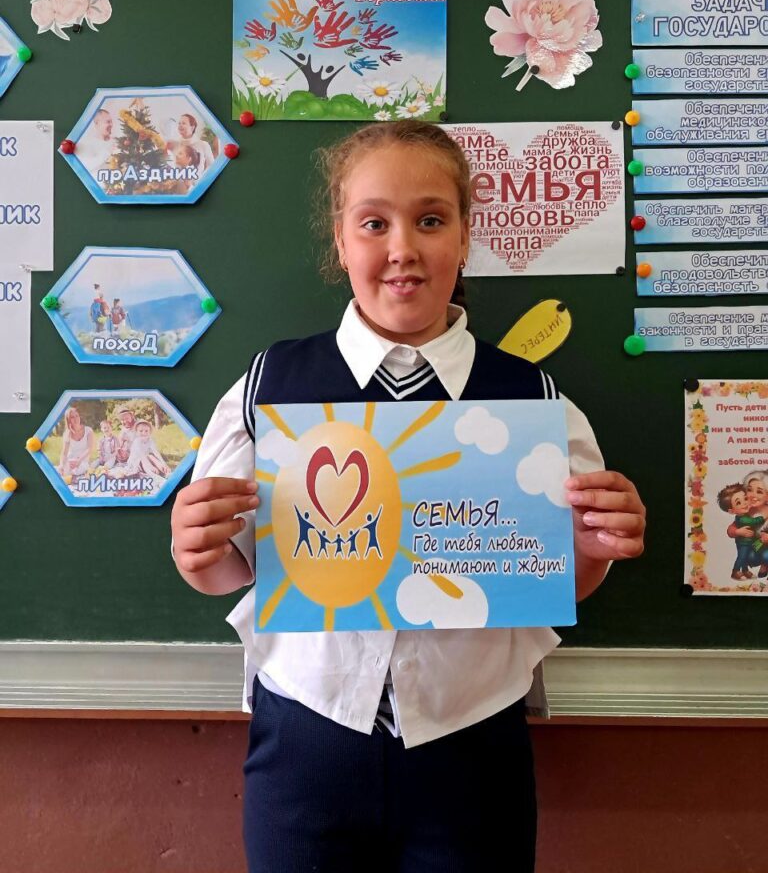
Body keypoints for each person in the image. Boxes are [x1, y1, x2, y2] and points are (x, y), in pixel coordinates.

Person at [170, 120, 646, 872]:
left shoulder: (532, 402)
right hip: (307, 740)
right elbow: (231, 569)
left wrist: (593, 548)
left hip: (471, 747)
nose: (402, 249)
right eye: (373, 224)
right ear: (340, 241)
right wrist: (197, 553)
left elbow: (561, 580)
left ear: (465, 236)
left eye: (430, 220)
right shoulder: (270, 386)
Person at [718, 482, 762, 579]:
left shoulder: (748, 514)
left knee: (745, 556)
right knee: (742, 556)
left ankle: (745, 570)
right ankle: (735, 571)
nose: (745, 503)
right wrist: (738, 532)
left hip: (750, 542)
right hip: (744, 543)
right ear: (732, 511)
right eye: (738, 503)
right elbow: (753, 522)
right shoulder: (742, 519)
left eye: (745, 499)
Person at [58, 406, 94, 480]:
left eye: (77, 416)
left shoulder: (88, 430)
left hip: (82, 460)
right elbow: (64, 453)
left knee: (79, 470)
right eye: (72, 417)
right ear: (68, 420)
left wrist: (78, 461)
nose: (76, 419)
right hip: (71, 460)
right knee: (62, 471)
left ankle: (74, 475)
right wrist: (61, 465)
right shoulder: (67, 433)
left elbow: (89, 449)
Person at [79, 109, 117, 177]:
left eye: (111, 121)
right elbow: (85, 168)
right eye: (108, 122)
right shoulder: (87, 144)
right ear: (97, 124)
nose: (111, 125)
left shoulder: (115, 141)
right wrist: (108, 152)